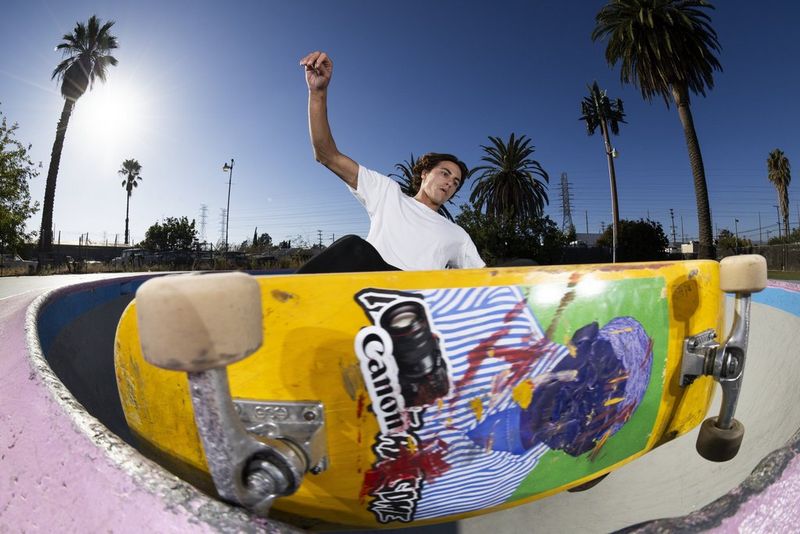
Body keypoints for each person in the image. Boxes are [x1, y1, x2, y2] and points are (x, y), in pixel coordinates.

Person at [297, 50, 485, 273]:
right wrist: (318, 93)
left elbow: (483, 277)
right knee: (353, 246)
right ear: (425, 173)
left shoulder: (457, 235)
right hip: (373, 288)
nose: (450, 183)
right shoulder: (388, 194)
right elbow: (326, 154)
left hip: (414, 300)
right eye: (445, 173)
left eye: (455, 183)